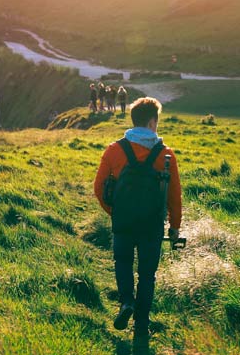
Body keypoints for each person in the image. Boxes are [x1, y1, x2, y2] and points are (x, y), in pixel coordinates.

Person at [93, 97, 182, 345]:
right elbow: (175, 196)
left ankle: (126, 302)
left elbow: (98, 187)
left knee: (122, 261)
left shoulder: (114, 150)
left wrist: (114, 211)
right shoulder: (166, 155)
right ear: (153, 122)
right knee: (147, 275)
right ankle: (141, 328)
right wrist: (174, 227)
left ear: (134, 121)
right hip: (152, 224)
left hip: (123, 220)